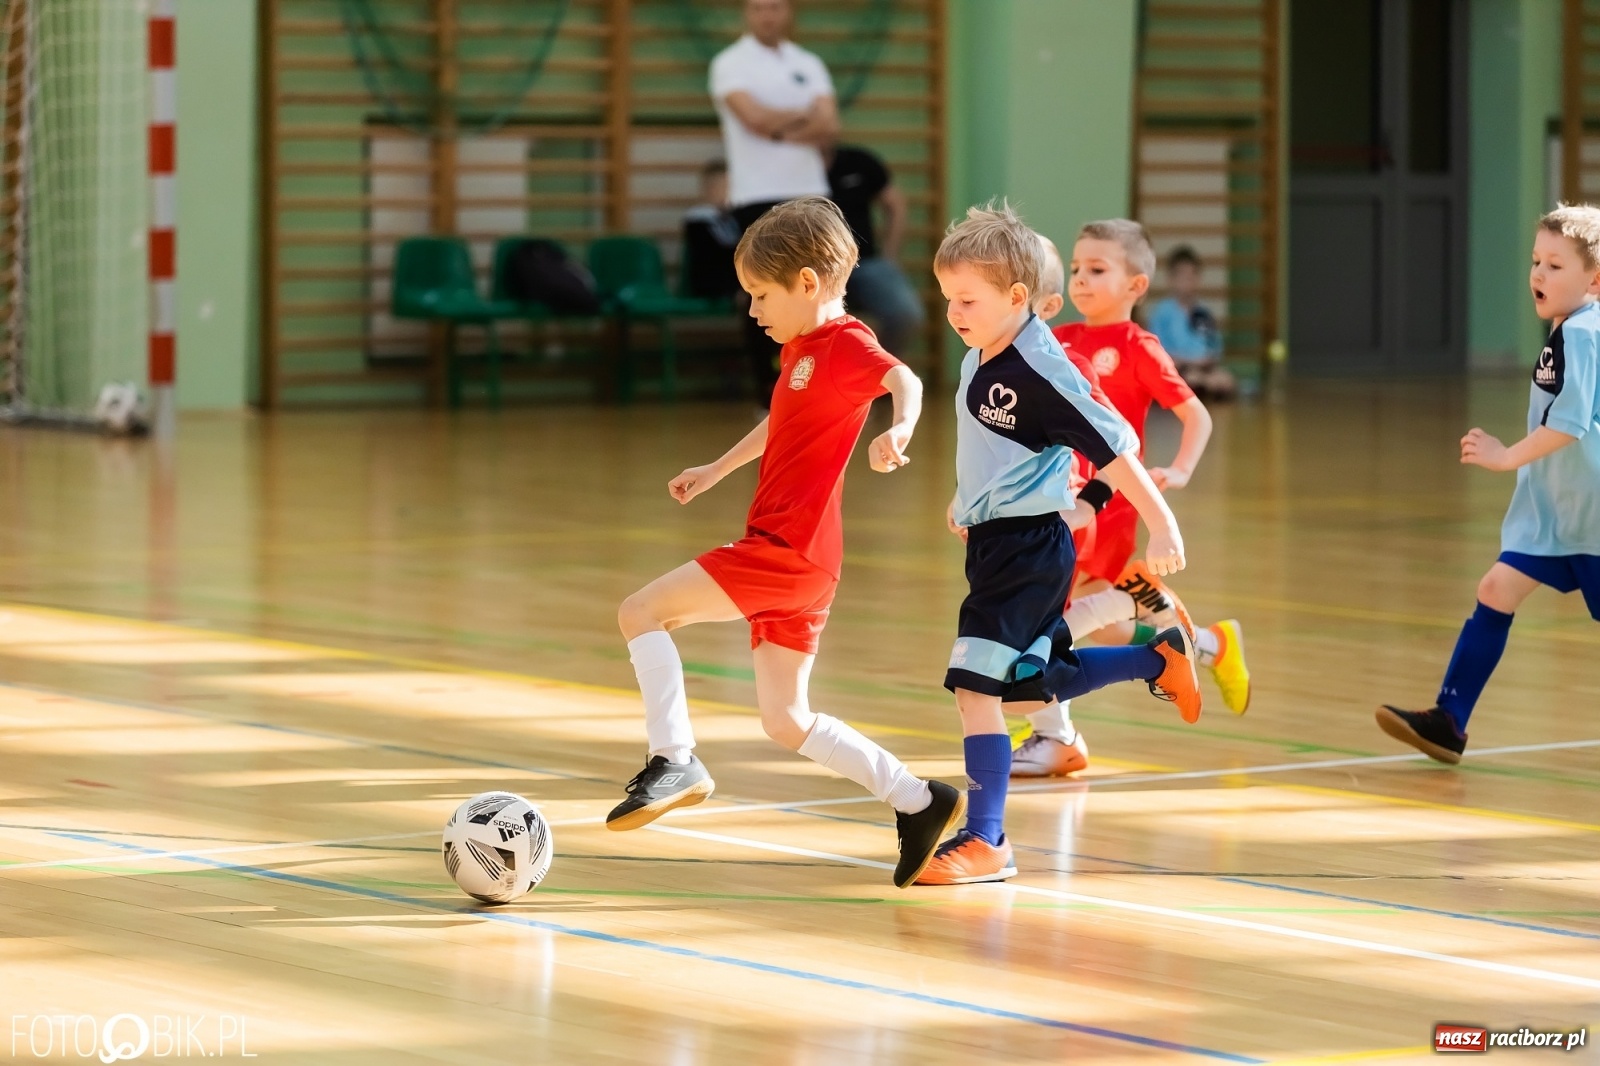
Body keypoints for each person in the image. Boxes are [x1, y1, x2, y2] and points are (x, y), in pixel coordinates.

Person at [607, 197, 964, 889]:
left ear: (809, 283)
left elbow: (906, 378)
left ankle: (673, 757)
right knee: (787, 719)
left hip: (786, 550)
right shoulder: (803, 351)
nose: (752, 312)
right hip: (803, 561)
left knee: (640, 612)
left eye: (761, 295)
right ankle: (918, 800)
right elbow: (784, 420)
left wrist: (900, 429)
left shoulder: (846, 344)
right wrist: (716, 468)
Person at [914, 202, 1203, 886]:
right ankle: (1154, 660)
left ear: (1015, 298)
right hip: (996, 542)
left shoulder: (1041, 370)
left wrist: (1161, 522)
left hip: (1028, 552)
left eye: (966, 300)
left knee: (975, 689)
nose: (953, 312)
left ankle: (987, 841)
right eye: (947, 297)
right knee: (1024, 688)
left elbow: (1115, 449)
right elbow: (994, 446)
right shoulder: (984, 349)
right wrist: (970, 501)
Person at [1378, 204, 1600, 764]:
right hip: (1559, 515)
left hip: (1591, 515)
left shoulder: (1582, 333)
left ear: (1594, 279)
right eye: (1535, 262)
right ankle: (1448, 721)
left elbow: (1569, 426)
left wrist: (1504, 459)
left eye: (1555, 265)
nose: (1539, 275)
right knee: (1495, 590)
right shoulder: (1573, 329)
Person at [709, 0, 839, 401]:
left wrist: (779, 127)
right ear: (747, 13)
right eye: (759, 8)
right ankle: (768, 391)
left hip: (811, 195)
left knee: (820, 291)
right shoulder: (731, 62)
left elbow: (830, 125)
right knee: (764, 293)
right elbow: (753, 120)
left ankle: (821, 383)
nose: (768, 15)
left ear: (789, 12)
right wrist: (804, 118)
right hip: (758, 195)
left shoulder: (809, 63)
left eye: (776, 7)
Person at [825, 143, 926, 359]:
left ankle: (881, 370)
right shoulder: (787, 171)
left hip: (866, 263)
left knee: (906, 313)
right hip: (812, 269)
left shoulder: (858, 161)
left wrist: (890, 255)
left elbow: (895, 204)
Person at [1146, 246, 1237, 400]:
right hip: (1176, 368)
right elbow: (1156, 352)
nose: (1187, 282)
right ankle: (1195, 387)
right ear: (1171, 279)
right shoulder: (1162, 312)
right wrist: (1185, 362)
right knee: (1188, 379)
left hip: (1202, 368)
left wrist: (1207, 361)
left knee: (1226, 381)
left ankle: (1202, 386)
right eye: (1182, 276)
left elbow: (1213, 346)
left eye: (1191, 276)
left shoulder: (1203, 312)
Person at [681, 160, 740, 301]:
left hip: (734, 276)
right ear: (705, 189)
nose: (721, 192)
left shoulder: (734, 216)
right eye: (715, 187)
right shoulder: (697, 219)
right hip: (709, 280)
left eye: (726, 187)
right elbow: (710, 255)